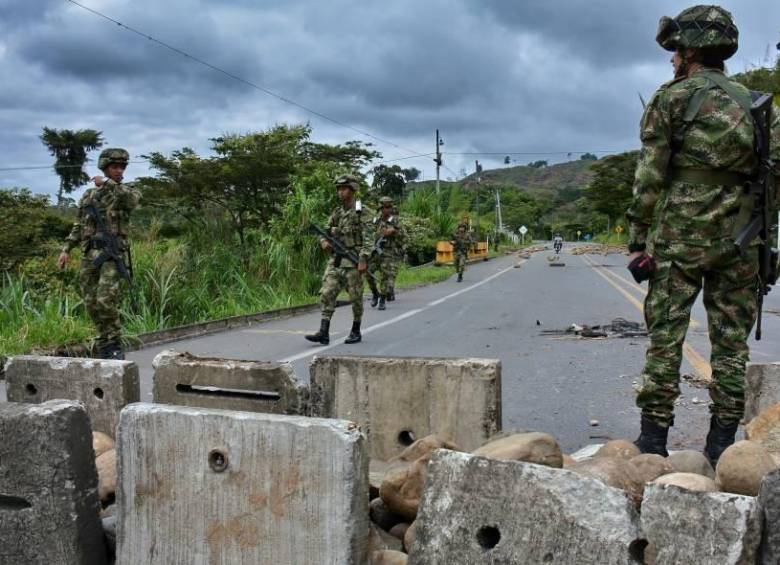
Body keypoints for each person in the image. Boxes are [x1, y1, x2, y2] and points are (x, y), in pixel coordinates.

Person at [627, 5, 780, 464]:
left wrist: (637, 236)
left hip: (679, 241)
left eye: (676, 51)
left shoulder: (671, 98)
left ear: (690, 50)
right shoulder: (759, 106)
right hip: (742, 241)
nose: (672, 58)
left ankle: (652, 442)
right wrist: (767, 241)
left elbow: (650, 175)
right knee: (731, 347)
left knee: (665, 340)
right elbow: (773, 181)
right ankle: (721, 447)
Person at [58, 148, 140, 360]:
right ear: (105, 167)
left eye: (122, 167)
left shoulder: (126, 191)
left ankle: (114, 343)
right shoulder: (89, 195)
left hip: (112, 254)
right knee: (90, 301)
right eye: (114, 167)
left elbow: (132, 201)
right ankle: (103, 342)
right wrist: (66, 249)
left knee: (105, 300)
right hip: (90, 254)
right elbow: (79, 225)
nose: (119, 170)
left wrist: (107, 183)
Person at [305, 174, 373, 345]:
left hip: (353, 260)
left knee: (355, 297)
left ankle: (356, 330)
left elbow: (369, 239)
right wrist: (323, 241)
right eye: (339, 189)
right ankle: (323, 331)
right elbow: (325, 231)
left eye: (344, 189)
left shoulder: (363, 212)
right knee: (327, 292)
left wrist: (363, 259)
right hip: (336, 259)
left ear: (353, 189)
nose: (340, 192)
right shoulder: (337, 212)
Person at [369, 196, 407, 310]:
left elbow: (404, 236)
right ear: (380, 208)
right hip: (375, 251)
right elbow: (369, 232)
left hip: (387, 252)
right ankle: (375, 293)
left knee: (385, 276)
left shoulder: (395, 221)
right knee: (367, 272)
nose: (387, 209)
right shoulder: (375, 220)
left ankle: (382, 299)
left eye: (389, 207)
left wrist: (394, 231)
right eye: (385, 207)